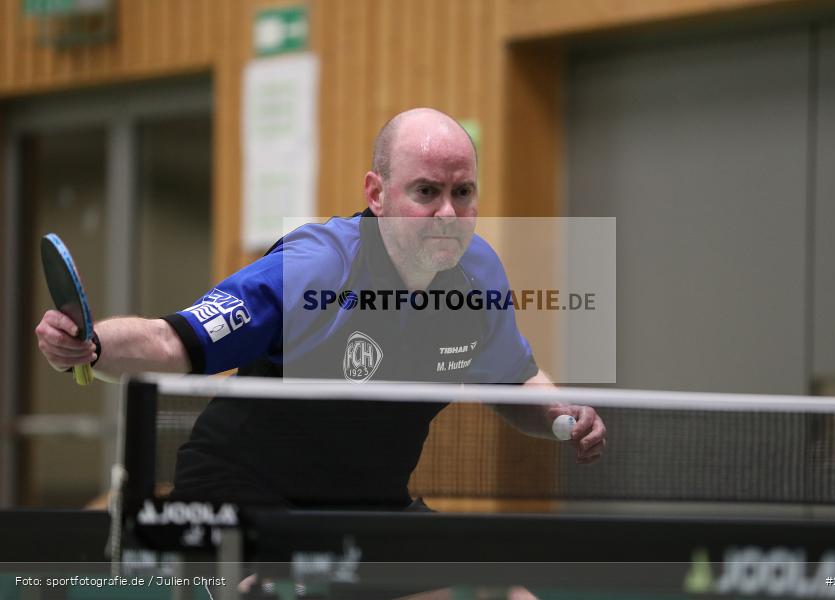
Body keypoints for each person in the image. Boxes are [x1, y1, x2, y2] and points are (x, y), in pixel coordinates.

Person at [35, 107, 607, 508]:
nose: (449, 214)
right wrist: (91, 345)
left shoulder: (479, 275)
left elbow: (513, 380)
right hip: (242, 495)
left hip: (366, 506)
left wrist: (562, 414)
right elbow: (175, 342)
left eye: (463, 192)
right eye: (426, 192)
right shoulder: (318, 267)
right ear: (377, 194)